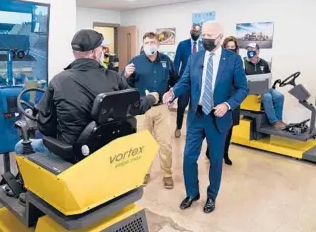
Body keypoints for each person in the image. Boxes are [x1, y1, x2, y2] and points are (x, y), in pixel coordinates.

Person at [15, 29, 159, 155]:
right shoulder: (115, 78)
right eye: (101, 49)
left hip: (71, 150)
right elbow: (136, 106)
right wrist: (151, 98)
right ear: (95, 53)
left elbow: (45, 127)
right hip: (107, 147)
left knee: (19, 147)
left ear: (75, 53)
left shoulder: (58, 81)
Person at [163, 21, 248, 213]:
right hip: (196, 115)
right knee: (188, 157)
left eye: (210, 37)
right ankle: (192, 193)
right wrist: (172, 93)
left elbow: (243, 88)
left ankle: (212, 196)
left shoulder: (233, 60)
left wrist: (227, 105)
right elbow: (185, 82)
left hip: (218, 118)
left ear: (220, 37)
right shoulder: (195, 58)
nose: (206, 40)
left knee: (216, 160)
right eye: (204, 37)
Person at [123, 32, 178, 189]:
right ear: (143, 44)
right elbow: (124, 83)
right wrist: (126, 74)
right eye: (146, 42)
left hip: (162, 108)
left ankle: (167, 174)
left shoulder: (166, 61)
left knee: (165, 144)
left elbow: (176, 81)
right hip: (142, 109)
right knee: (142, 144)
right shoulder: (135, 62)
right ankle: (144, 172)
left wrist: (173, 96)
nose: (149, 45)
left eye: (152, 42)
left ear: (158, 44)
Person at [206, 36, 241, 165]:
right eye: (228, 47)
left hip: (233, 102)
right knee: (214, 128)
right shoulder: (218, 62)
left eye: (233, 47)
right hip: (219, 101)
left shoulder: (238, 62)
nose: (231, 49)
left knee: (228, 130)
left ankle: (225, 154)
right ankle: (210, 151)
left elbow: (241, 85)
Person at [244, 42, 286, 130]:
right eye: (248, 49)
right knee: (267, 96)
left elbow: (269, 76)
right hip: (251, 89)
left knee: (279, 96)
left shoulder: (264, 63)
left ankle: (279, 120)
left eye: (252, 49)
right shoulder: (243, 63)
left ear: (258, 51)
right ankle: (273, 121)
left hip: (264, 87)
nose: (250, 51)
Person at [173, 24, 204, 138]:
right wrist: (176, 78)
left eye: (198, 32)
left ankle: (192, 129)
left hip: (198, 82)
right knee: (181, 105)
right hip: (184, 81)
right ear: (190, 31)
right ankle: (178, 126)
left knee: (194, 107)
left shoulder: (203, 46)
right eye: (193, 31)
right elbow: (176, 62)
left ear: (200, 33)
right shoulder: (183, 44)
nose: (195, 33)